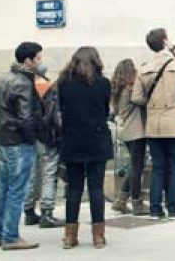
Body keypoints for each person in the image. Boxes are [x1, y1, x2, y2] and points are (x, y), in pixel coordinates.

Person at [131, 29, 175, 219]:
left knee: (158, 166)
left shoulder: (144, 67)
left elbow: (136, 97)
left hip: (154, 125)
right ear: (166, 42)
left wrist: (151, 105)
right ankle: (173, 206)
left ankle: (155, 208)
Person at [56, 47, 114, 249]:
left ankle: (70, 236)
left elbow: (61, 110)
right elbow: (106, 110)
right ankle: (98, 236)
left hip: (73, 140)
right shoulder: (103, 83)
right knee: (96, 188)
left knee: (74, 189)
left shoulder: (63, 83)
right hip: (97, 140)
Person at [0, 42, 45, 250]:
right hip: (18, 142)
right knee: (16, 190)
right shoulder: (24, 82)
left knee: (3, 188)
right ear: (28, 60)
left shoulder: (3, 78)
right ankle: (11, 236)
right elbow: (26, 118)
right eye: (38, 58)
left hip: (3, 139)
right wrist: (33, 139)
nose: (40, 61)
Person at [23, 65, 62, 230]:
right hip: (46, 136)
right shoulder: (43, 85)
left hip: (28, 136)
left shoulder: (21, 85)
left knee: (30, 174)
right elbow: (53, 113)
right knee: (48, 173)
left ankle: (29, 211)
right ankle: (46, 212)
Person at [111, 59, 149, 216]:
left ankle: (121, 200)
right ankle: (137, 202)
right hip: (135, 131)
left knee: (135, 165)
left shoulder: (118, 89)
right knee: (137, 167)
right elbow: (140, 100)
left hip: (126, 131)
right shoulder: (129, 89)